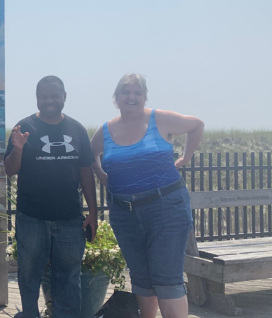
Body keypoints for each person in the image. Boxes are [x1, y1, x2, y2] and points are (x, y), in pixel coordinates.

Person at [90, 73, 204, 318]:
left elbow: (196, 125)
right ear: (116, 97)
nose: (131, 97)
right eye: (126, 92)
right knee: (140, 276)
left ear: (144, 96)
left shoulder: (159, 119)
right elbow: (91, 154)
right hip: (124, 213)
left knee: (166, 278)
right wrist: (100, 174)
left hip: (166, 208)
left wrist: (185, 157)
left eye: (137, 92)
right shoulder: (106, 129)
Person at [4, 76, 99, 318]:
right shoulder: (23, 127)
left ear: (64, 97)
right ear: (37, 98)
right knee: (28, 275)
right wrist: (18, 148)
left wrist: (93, 212)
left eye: (55, 95)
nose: (49, 101)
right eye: (44, 96)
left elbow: (86, 171)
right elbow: (10, 169)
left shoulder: (76, 129)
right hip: (32, 218)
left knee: (68, 277)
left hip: (69, 219)